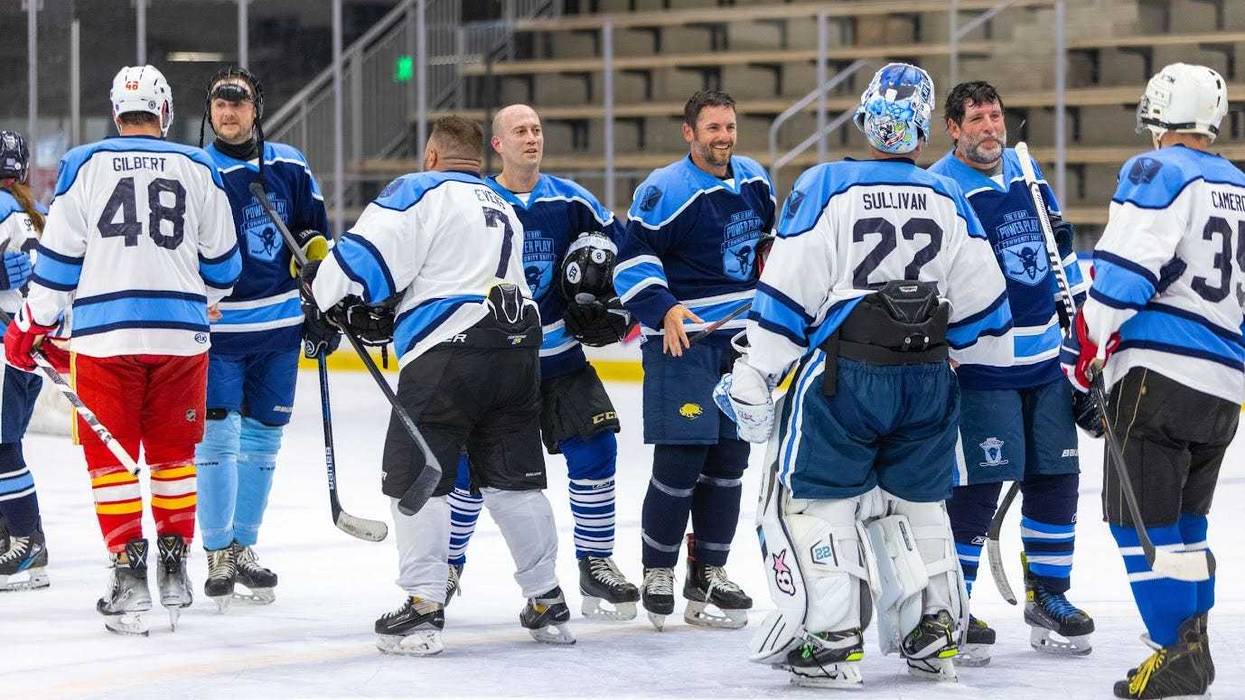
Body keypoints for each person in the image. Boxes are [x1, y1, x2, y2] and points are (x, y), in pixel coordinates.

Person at [719, 63, 1013, 687]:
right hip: (929, 378)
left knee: (813, 502)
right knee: (922, 503)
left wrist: (753, 372)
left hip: (844, 377)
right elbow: (988, 309)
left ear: (866, 116)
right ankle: (934, 634)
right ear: (928, 125)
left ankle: (831, 638)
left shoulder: (827, 183)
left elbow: (786, 295)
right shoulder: (948, 193)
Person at [303, 115, 571, 656]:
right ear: (480, 158)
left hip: (452, 351)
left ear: (431, 155)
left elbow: (363, 262)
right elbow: (448, 270)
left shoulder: (418, 189)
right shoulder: (501, 206)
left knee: (418, 475)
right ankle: (546, 601)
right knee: (513, 482)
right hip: (518, 348)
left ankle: (423, 607)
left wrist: (321, 298)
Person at [3, 65, 240, 635]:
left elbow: (57, 267)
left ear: (115, 113)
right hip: (182, 338)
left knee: (112, 462)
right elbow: (227, 265)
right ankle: (176, 569)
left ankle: (130, 578)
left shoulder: (83, 164)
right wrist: (194, 296)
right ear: (164, 113)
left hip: (106, 340)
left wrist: (29, 325)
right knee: (172, 456)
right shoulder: (199, 165)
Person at [1061, 62, 1239, 699]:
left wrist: (1085, 351)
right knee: (1188, 525)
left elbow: (1120, 276)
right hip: (1224, 388)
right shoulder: (1240, 184)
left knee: (1138, 525)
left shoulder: (1156, 171)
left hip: (1158, 378)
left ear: (1161, 116)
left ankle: (1175, 652)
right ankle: (1194, 646)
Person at [442, 104, 639, 619]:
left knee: (596, 445)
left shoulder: (573, 200)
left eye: (537, 129)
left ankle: (595, 564)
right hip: (494, 367)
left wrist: (615, 306)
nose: (532, 138)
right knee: (469, 467)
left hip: (560, 358)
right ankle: (447, 565)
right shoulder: (475, 201)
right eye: (520, 131)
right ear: (498, 146)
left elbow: (623, 256)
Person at [928, 80, 1095, 664]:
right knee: (976, 487)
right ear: (953, 128)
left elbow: (1060, 251)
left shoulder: (1027, 174)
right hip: (981, 366)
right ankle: (953, 604)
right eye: (975, 118)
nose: (989, 127)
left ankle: (1048, 596)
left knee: (1056, 478)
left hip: (1045, 362)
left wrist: (1085, 337)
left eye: (995, 116)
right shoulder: (940, 186)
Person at [614, 89, 775, 631]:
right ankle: (658, 569)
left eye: (729, 127)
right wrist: (664, 308)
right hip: (683, 341)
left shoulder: (754, 178)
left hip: (742, 345)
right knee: (681, 461)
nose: (723, 138)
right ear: (690, 133)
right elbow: (632, 259)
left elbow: (767, 251)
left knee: (729, 466)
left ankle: (709, 572)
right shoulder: (665, 189)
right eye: (712, 129)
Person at [194, 66, 332, 610]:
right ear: (210, 111)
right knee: (218, 440)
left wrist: (324, 297)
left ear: (257, 108)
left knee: (262, 441)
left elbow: (314, 234)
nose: (228, 112)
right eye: (219, 103)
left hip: (279, 328)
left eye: (239, 102)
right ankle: (216, 552)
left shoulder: (290, 164)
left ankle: (245, 546)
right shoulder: (195, 169)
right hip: (219, 329)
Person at [0, 130, 50, 591]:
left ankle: (26, 540)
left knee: (3, 447)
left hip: (4, 348)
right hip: (26, 349)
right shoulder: (37, 216)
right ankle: (10, 534)